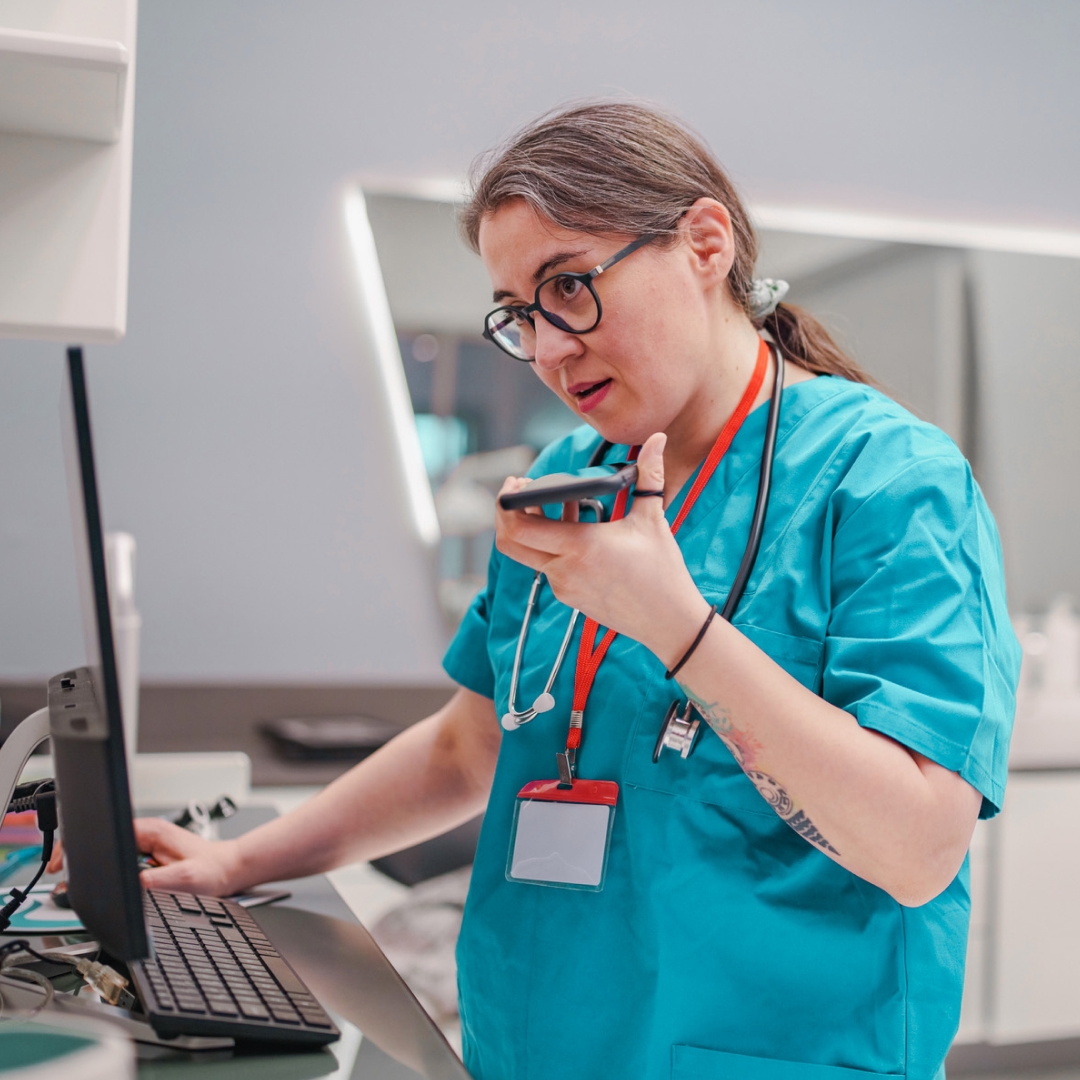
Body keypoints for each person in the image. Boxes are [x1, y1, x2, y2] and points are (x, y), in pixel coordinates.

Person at [121, 103, 1020, 1079]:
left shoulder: (889, 483)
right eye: (518, 315)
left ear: (705, 243)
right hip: (535, 1043)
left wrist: (677, 628)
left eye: (569, 288)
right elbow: (469, 746)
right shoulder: (574, 473)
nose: (547, 349)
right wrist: (238, 865)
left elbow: (917, 849)